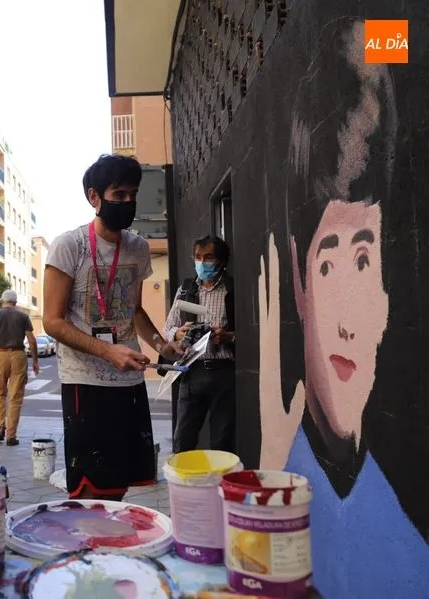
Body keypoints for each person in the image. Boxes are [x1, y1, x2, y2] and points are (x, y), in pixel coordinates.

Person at [258, 20, 428, 597]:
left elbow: (391, 32)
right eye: (327, 264)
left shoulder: (407, 540)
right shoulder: (282, 479)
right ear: (298, 291)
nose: (348, 322)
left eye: (364, 259)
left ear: (386, 297)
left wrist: (387, 34)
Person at [43, 154, 182, 500]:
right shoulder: (68, 246)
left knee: (119, 483)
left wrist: (162, 346)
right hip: (85, 381)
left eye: (133, 195)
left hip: (129, 381)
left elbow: (134, 310)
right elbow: (52, 321)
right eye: (118, 195)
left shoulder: (138, 247)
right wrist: (107, 350)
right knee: (89, 488)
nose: (128, 203)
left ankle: (109, 549)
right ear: (94, 197)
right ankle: (90, 547)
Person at [164, 235, 236, 453]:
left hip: (224, 373)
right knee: (182, 440)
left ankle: (216, 486)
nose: (202, 263)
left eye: (208, 257)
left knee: (221, 442)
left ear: (222, 261)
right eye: (198, 257)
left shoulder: (233, 290)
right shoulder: (186, 290)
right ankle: (185, 485)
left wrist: (229, 336)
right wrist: (179, 334)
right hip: (191, 373)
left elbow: (252, 332)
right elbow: (168, 329)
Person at [0, 289, 38, 445]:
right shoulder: (23, 316)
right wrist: (35, 361)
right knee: (15, 397)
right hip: (18, 355)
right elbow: (32, 340)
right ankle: (11, 436)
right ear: (15, 302)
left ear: (2, 301)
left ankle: (0, 426)